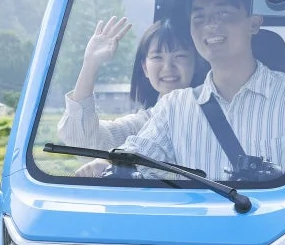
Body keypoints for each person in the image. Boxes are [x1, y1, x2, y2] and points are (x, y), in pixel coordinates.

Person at [115, 0, 285, 182]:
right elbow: (137, 160)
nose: (210, 25)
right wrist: (109, 165)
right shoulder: (175, 107)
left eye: (223, 13)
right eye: (199, 17)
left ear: (253, 23)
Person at [57, 16, 204, 150]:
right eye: (157, 57)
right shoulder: (141, 125)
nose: (168, 67)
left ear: (196, 64)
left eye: (180, 56)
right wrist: (91, 63)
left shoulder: (214, 116)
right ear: (145, 68)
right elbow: (82, 139)